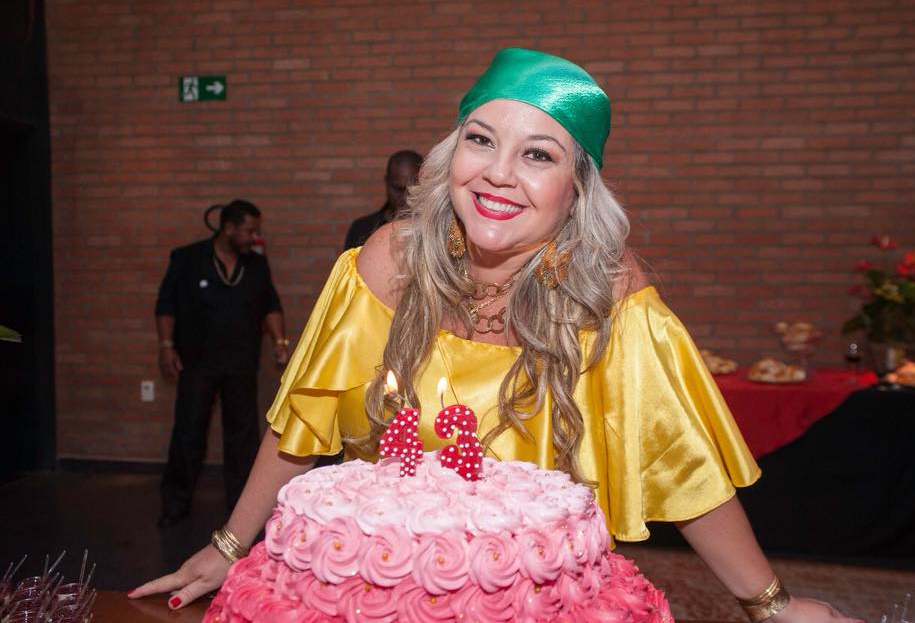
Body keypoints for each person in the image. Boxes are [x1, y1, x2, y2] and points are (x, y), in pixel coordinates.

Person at [132, 49, 857, 622]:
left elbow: (678, 460)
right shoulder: (387, 261)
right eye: (481, 141)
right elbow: (303, 417)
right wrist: (230, 544)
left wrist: (771, 605)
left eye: (538, 154)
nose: (498, 175)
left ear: (577, 186)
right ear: (452, 155)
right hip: (376, 592)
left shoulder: (608, 293)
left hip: (538, 602)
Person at [154, 199, 290, 528]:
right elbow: (166, 306)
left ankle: (241, 511)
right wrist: (166, 346)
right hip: (197, 363)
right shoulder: (187, 259)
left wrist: (280, 343)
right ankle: (175, 505)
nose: (255, 237)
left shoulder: (256, 265)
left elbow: (271, 305)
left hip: (241, 363)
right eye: (249, 231)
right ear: (228, 228)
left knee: (243, 437)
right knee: (188, 433)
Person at [343, 149, 423, 249]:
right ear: (387, 182)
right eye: (398, 189)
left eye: (412, 190)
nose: (404, 197)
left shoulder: (433, 228)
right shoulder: (362, 229)